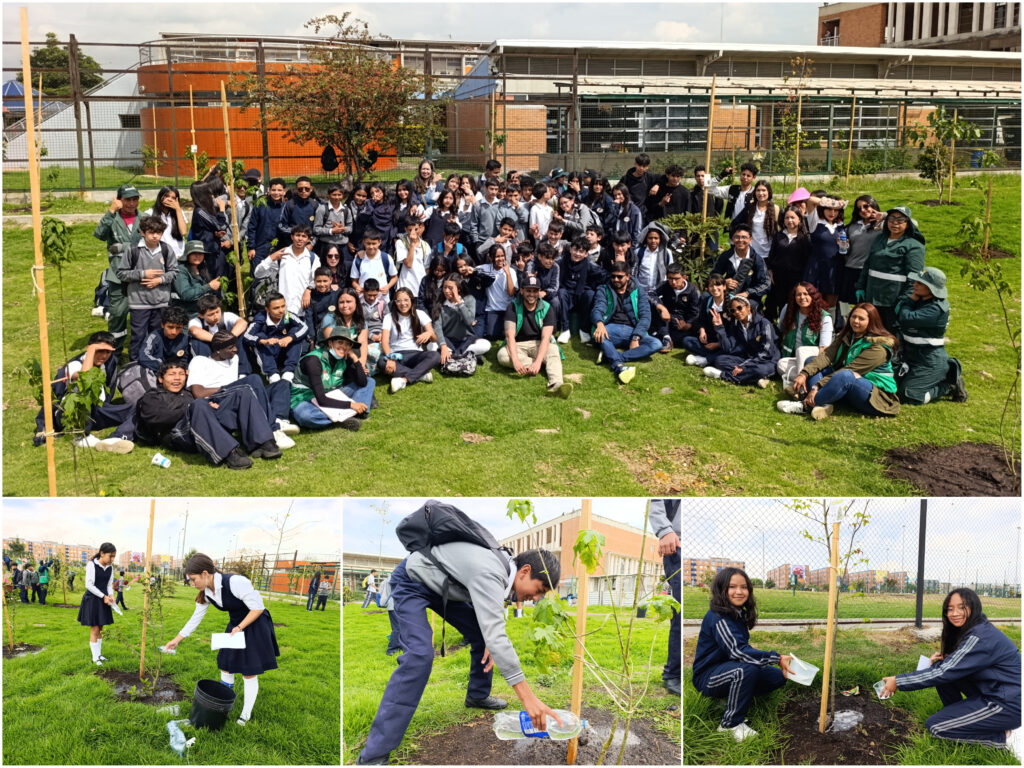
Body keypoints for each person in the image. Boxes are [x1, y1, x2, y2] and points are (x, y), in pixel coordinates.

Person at [357, 503, 563, 765]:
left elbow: (493, 610)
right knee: (419, 657)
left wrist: (490, 636)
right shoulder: (492, 569)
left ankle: (477, 694)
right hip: (412, 580)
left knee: (482, 635)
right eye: (539, 589)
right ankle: (373, 754)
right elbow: (497, 632)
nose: (535, 598)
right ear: (524, 571)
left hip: (445, 585)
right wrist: (529, 698)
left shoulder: (502, 566)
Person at [879, 588, 1021, 756]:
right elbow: (950, 668)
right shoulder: (975, 629)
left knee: (937, 727)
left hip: (1008, 704)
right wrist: (943, 660)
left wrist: (898, 681)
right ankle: (962, 719)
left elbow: (944, 672)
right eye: (950, 609)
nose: (955, 613)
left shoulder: (980, 636)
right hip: (995, 691)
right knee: (942, 668)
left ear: (974, 607)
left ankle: (1005, 738)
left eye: (962, 607)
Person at [163, 553, 280, 726]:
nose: (192, 584)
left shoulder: (235, 582)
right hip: (235, 626)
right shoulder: (207, 593)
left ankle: (245, 716)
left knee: (249, 671)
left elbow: (257, 608)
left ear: (204, 573)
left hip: (254, 625)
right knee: (226, 666)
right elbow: (196, 617)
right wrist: (177, 639)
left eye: (193, 580)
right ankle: (224, 705)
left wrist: (240, 627)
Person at [691, 567, 793, 742]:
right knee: (745, 670)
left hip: (727, 668)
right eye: (732, 587)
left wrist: (771, 662)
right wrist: (777, 658)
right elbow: (738, 651)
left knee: (778, 677)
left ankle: (733, 699)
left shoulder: (737, 614)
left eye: (744, 587)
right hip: (707, 677)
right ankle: (729, 725)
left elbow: (741, 649)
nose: (739, 591)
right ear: (721, 589)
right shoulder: (719, 617)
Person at [134, 358, 279, 469]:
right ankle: (230, 454)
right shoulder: (152, 396)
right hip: (179, 434)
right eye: (172, 374)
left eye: (181, 374)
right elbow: (157, 418)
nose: (177, 378)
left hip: (202, 423)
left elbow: (202, 406)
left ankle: (264, 442)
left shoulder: (188, 393)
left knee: (243, 393)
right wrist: (193, 408)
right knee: (199, 403)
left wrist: (209, 407)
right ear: (160, 378)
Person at [777, 302, 900, 419]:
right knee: (811, 360)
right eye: (853, 317)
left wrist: (816, 387)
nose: (856, 321)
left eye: (861, 319)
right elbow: (826, 356)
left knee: (845, 375)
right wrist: (804, 373)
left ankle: (804, 404)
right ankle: (821, 403)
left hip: (877, 396)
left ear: (871, 322)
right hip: (851, 385)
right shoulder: (848, 334)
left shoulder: (879, 347)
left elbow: (850, 370)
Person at [33, 331, 135, 451]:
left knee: (137, 407)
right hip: (74, 413)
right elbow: (84, 378)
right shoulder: (75, 364)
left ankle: (116, 438)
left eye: (108, 352)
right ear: (88, 348)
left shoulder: (108, 365)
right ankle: (80, 437)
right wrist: (91, 350)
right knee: (83, 398)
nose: (104, 356)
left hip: (98, 411)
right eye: (100, 350)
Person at [895, 267, 968, 405]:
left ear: (931, 288)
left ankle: (947, 385)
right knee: (892, 387)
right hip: (910, 354)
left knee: (909, 395)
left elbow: (905, 318)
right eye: (916, 281)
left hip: (928, 359)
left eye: (920, 283)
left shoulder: (936, 309)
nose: (914, 285)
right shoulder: (921, 300)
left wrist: (909, 301)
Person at [497, 275, 572, 398]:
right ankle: (546, 364)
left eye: (535, 291)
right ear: (521, 291)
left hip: (539, 343)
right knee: (502, 355)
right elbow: (509, 336)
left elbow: (546, 338)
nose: (532, 294)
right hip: (518, 344)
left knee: (553, 349)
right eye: (528, 290)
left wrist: (537, 361)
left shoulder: (547, 307)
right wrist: (515, 360)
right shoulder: (512, 306)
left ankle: (556, 384)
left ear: (539, 292)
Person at [855, 205, 926, 334]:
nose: (895, 223)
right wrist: (860, 286)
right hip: (872, 296)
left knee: (889, 335)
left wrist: (905, 299)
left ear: (908, 224)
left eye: (900, 220)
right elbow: (868, 264)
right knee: (871, 332)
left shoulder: (913, 246)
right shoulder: (879, 239)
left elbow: (914, 276)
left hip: (892, 300)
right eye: (892, 219)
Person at [591, 261, 664, 384]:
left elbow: (645, 316)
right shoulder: (603, 289)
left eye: (620, 276)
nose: (615, 279)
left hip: (632, 330)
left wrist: (636, 337)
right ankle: (619, 366)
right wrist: (599, 323)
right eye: (613, 276)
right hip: (610, 328)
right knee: (599, 334)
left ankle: (613, 356)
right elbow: (598, 308)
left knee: (656, 344)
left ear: (628, 276)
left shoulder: (638, 291)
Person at [289, 326, 372, 431]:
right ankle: (343, 418)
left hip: (330, 394)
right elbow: (322, 400)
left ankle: (348, 413)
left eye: (347, 344)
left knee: (370, 381)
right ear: (330, 343)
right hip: (306, 399)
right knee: (306, 416)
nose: (344, 347)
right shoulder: (313, 361)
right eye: (340, 342)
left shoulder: (344, 358)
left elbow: (362, 382)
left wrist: (355, 358)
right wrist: (351, 404)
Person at [94, 184, 144, 351]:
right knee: (117, 313)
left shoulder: (143, 218)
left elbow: (151, 242)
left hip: (140, 273)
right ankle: (114, 349)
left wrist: (122, 247)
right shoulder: (112, 218)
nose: (131, 203)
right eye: (127, 199)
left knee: (141, 314)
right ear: (119, 200)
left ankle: (139, 349)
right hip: (118, 274)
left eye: (135, 199)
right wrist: (110, 211)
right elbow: (100, 234)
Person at [703, 295, 779, 387]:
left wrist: (744, 366)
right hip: (747, 358)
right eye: (733, 310)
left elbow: (766, 353)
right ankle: (753, 378)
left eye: (739, 308)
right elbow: (728, 348)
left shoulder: (764, 323)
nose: (737, 312)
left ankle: (722, 375)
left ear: (748, 307)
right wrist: (719, 327)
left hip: (767, 360)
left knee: (760, 370)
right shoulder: (735, 324)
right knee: (720, 360)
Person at [379, 288, 441, 393]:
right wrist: (390, 358)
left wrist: (429, 333)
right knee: (381, 362)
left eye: (406, 300)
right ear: (395, 302)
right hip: (396, 355)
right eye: (399, 300)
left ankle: (404, 380)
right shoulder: (389, 317)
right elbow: (384, 342)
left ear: (411, 300)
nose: (403, 303)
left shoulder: (420, 314)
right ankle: (421, 374)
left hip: (415, 354)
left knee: (435, 356)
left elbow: (435, 339)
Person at [648, 499, 680, 696]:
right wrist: (664, 529)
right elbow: (657, 497)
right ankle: (673, 675)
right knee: (679, 609)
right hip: (676, 543)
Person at [776, 283, 834, 391]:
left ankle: (800, 390)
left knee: (801, 351)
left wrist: (813, 367)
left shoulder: (824, 317)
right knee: (781, 364)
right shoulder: (788, 310)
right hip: (795, 358)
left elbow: (824, 349)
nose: (802, 297)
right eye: (798, 294)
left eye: (806, 294)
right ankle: (810, 382)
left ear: (813, 296)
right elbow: (778, 331)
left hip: (814, 356)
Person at [253, 225, 320, 318]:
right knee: (285, 331)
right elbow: (258, 273)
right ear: (292, 237)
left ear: (308, 239)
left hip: (304, 309)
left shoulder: (313, 258)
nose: (300, 239)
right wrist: (271, 258)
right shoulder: (281, 255)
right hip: (284, 310)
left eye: (304, 236)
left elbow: (317, 278)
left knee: (303, 331)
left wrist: (308, 290)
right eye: (297, 235)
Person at [242, 293, 309, 383]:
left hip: (285, 351)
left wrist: (290, 337)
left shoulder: (286, 316)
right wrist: (264, 341)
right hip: (269, 353)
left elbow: (304, 327)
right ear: (267, 309)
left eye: (283, 306)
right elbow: (247, 336)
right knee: (259, 336)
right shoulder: (261, 319)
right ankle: (272, 375)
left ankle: (289, 372)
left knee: (296, 331)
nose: (281, 310)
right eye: (276, 308)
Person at [433, 273, 490, 377]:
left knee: (486, 345)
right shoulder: (439, 302)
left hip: (465, 340)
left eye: (450, 288)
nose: (446, 291)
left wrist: (459, 302)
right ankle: (466, 356)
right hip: (448, 341)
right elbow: (437, 327)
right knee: (431, 346)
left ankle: (454, 356)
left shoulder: (469, 299)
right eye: (444, 287)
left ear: (458, 289)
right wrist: (443, 345)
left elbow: (469, 321)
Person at [765, 205, 812, 322]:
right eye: (787, 218)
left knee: (794, 304)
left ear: (799, 219)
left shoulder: (805, 238)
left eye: (793, 217)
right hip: (779, 277)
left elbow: (808, 259)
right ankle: (781, 329)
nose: (789, 220)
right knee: (781, 304)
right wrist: (770, 271)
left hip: (797, 278)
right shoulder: (779, 236)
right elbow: (772, 255)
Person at [556, 237, 604, 344]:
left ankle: (584, 329)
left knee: (590, 294)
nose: (577, 254)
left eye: (581, 251)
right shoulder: (561, 261)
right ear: (570, 249)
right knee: (561, 293)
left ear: (586, 254)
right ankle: (565, 329)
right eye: (575, 250)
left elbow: (602, 275)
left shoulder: (590, 264)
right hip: (566, 292)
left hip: (581, 293)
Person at [77, 542, 117, 666]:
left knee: (100, 628)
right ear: (102, 553)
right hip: (93, 599)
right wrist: (103, 596)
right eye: (110, 556)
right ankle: (95, 658)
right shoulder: (91, 565)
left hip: (104, 599)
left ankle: (99, 655)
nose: (112, 559)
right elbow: (89, 585)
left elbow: (109, 585)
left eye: (114, 556)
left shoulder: (110, 568)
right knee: (94, 628)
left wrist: (111, 596)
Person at [711, 224, 770, 304]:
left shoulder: (757, 259)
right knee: (705, 297)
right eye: (737, 237)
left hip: (750, 297)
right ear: (732, 239)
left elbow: (766, 283)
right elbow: (713, 275)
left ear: (750, 240)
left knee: (748, 306)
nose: (740, 240)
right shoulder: (725, 256)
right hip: (728, 294)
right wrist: (723, 282)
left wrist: (747, 293)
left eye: (744, 237)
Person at [653, 262, 700, 352]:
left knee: (686, 337)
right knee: (655, 308)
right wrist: (662, 308)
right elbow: (650, 294)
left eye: (676, 279)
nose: (673, 282)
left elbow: (696, 313)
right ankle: (666, 337)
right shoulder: (665, 285)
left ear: (684, 277)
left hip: (682, 324)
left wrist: (688, 324)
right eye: (670, 278)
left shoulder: (693, 291)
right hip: (666, 319)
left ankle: (663, 337)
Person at [246, 178, 287, 271]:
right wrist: (251, 247)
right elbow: (252, 227)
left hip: (279, 247)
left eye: (279, 190)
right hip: (259, 247)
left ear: (284, 191)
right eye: (273, 190)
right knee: (257, 275)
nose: (276, 193)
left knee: (277, 276)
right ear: (269, 190)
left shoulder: (286, 208)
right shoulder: (260, 205)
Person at [174, 240, 221, 318]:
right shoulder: (181, 270)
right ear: (187, 255)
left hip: (203, 313)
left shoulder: (203, 268)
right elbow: (185, 295)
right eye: (194, 254)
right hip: (185, 314)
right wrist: (208, 286)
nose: (198, 256)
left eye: (200, 254)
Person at [145, 185, 188, 261]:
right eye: (167, 196)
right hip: (160, 257)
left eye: (173, 198)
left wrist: (178, 209)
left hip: (178, 255)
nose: (169, 200)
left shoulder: (179, 213)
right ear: (160, 197)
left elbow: (183, 232)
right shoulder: (149, 213)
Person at [313, 184, 353, 259]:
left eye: (339, 195)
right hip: (326, 245)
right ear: (328, 195)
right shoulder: (322, 209)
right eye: (334, 195)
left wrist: (343, 229)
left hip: (342, 246)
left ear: (343, 195)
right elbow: (316, 229)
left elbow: (350, 228)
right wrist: (331, 231)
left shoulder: (346, 210)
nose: (337, 197)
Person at [380, 572, 403, 656]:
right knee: (397, 628)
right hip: (394, 606)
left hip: (393, 605)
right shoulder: (394, 579)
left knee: (399, 627)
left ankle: (400, 645)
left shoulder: (389, 579)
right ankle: (391, 649)